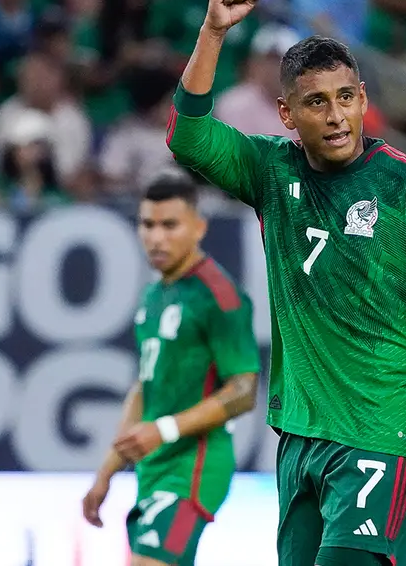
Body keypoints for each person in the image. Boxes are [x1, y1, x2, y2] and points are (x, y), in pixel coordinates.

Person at [165, 0, 406, 566]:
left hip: (382, 433)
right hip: (299, 434)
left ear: (364, 99)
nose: (337, 115)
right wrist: (213, 31)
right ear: (287, 113)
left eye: (346, 97)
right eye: (317, 102)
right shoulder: (270, 171)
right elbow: (187, 136)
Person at [82, 174, 262, 566]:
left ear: (199, 228)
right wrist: (107, 471)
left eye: (170, 225)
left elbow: (244, 390)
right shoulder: (154, 295)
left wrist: (164, 430)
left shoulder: (220, 297)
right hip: (154, 469)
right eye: (147, 225)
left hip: (193, 468)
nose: (156, 238)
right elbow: (144, 387)